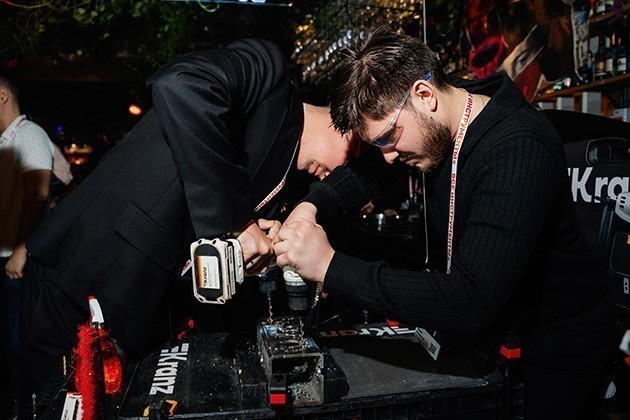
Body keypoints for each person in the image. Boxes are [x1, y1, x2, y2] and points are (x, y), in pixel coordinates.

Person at [274, 27, 617, 419]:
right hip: (494, 329)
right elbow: (367, 174)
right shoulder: (441, 116)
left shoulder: (519, 147)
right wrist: (309, 206)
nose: (387, 156)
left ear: (424, 95)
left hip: (559, 342)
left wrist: (329, 266)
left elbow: (470, 300)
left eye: (388, 138)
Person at [22, 39, 356, 392]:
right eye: (350, 167)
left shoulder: (287, 182)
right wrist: (237, 223)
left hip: (142, 318)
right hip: (82, 283)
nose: (329, 180)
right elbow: (180, 83)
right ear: (351, 129)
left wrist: (248, 253)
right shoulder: (268, 75)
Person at [0, 76, 54, 416]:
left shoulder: (28, 134)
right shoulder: (6, 140)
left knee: (18, 343)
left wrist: (21, 249)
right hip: (4, 256)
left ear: (2, 96)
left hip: (15, 260)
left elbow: (38, 194)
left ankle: (28, 410)